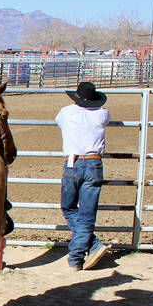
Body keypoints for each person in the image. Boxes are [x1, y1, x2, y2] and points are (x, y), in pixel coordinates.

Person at [56, 81, 111, 271]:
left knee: (69, 207)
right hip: (94, 162)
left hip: (73, 162)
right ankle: (83, 253)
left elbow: (59, 121)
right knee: (87, 213)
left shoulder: (66, 112)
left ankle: (82, 253)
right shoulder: (103, 113)